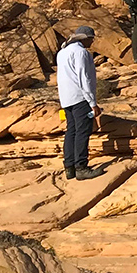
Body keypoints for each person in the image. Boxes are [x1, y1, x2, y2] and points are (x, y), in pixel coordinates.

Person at [56, 25, 101, 180]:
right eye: (91, 39)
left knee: (71, 131)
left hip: (66, 98)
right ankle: (81, 167)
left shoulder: (62, 52)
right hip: (80, 97)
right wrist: (92, 102)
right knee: (83, 131)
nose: (92, 42)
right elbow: (84, 78)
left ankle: (69, 167)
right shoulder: (81, 52)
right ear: (86, 38)